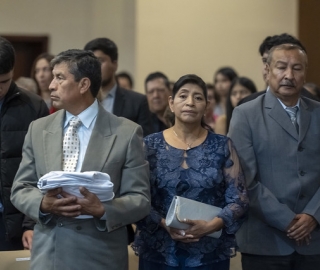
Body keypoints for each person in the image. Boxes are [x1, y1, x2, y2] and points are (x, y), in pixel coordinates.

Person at [11, 49, 151, 270]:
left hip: (99, 256)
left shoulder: (126, 132)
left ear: (84, 85)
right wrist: (42, 204)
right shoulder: (38, 129)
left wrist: (104, 209)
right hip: (49, 255)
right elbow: (20, 188)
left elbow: (140, 199)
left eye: (59, 77)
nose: (50, 85)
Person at [134, 74, 249, 270]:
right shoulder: (150, 145)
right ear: (171, 103)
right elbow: (138, 197)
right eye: (183, 96)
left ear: (206, 106)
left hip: (209, 252)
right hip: (159, 249)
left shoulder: (222, 145)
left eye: (198, 97)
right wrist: (163, 223)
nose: (190, 102)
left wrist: (211, 226)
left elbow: (239, 199)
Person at [229, 44, 320, 270]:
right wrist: (288, 221)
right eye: (281, 67)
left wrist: (313, 215)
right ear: (267, 70)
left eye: (297, 68)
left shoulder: (318, 112)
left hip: (314, 239)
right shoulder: (245, 114)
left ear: (305, 72)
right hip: (265, 241)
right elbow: (244, 180)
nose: (289, 75)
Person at [0, 36, 49, 250]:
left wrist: (32, 222)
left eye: (3, 82)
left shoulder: (33, 107)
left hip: (15, 220)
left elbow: (43, 168)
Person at [84, 38, 152, 136]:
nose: (95, 67)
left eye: (100, 61)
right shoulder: (80, 100)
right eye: (90, 62)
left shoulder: (137, 102)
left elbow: (144, 141)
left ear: (114, 64)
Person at [238, 33, 317, 105]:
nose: (266, 69)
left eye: (296, 68)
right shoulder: (247, 105)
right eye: (265, 61)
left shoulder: (315, 106)